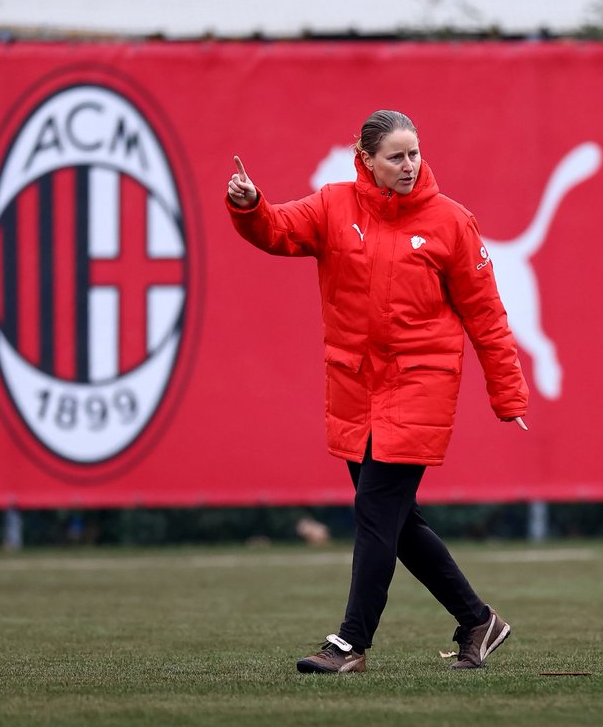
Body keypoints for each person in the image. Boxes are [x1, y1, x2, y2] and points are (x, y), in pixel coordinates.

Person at [226, 109, 529, 674]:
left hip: (418, 387)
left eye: (415, 153)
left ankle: (350, 644)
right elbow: (275, 230)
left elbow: (487, 315)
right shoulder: (332, 204)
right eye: (397, 156)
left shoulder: (451, 222)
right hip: (355, 388)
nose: (410, 165)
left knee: (374, 511)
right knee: (397, 522)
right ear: (365, 159)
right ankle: (478, 620)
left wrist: (507, 394)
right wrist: (249, 205)